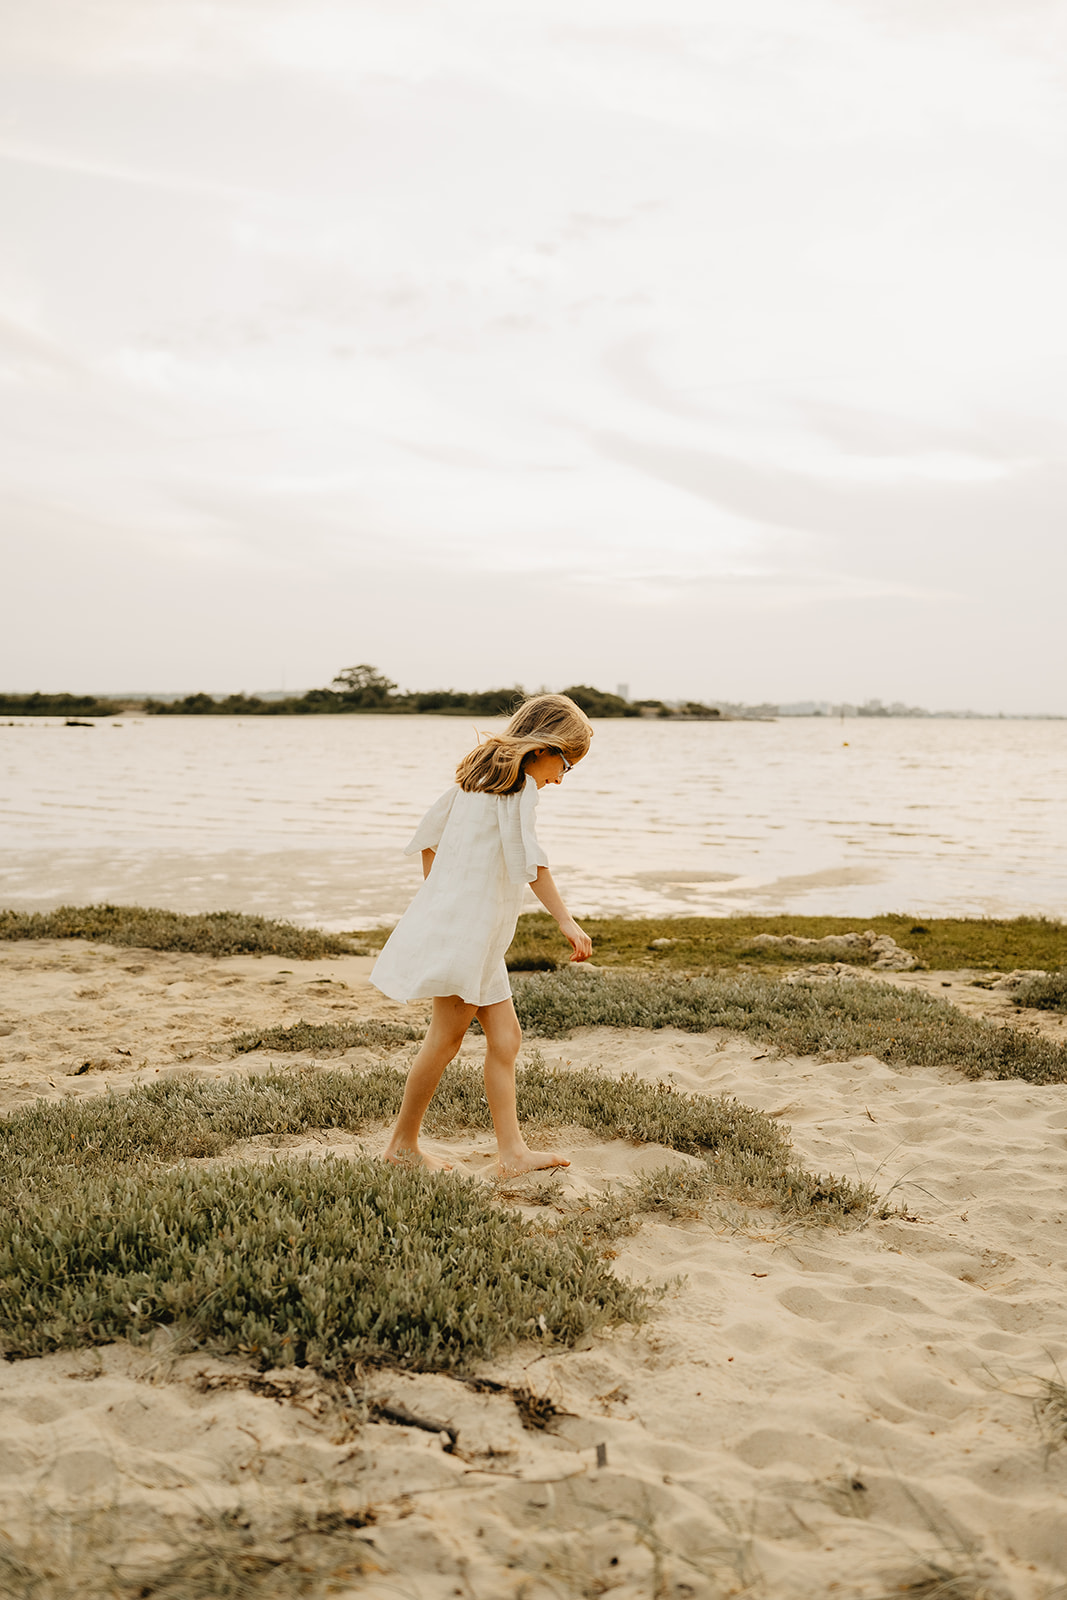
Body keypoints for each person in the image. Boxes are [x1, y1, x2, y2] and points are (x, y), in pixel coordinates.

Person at [370, 693, 594, 1176]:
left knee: (506, 1038)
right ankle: (401, 1145)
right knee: (445, 1039)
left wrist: (442, 896)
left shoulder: (473, 785)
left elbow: (427, 841)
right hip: (467, 936)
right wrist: (565, 920)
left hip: (475, 934)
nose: (562, 776)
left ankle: (512, 1153)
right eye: (566, 763)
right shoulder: (519, 792)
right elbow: (530, 862)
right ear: (542, 749)